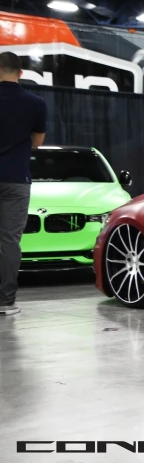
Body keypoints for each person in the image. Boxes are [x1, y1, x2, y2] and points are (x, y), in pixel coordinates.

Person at [0, 52, 47, 316]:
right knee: (9, 241)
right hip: (16, 179)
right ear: (20, 73)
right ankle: (5, 302)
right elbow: (37, 142)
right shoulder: (35, 103)